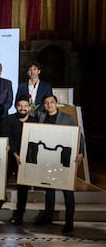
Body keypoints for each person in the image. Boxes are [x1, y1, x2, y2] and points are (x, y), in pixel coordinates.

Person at [34, 94, 84, 233]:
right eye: (46, 103)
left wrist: (80, 153)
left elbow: (78, 135)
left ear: (56, 103)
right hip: (48, 157)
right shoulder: (41, 116)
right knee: (49, 189)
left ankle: (69, 222)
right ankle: (48, 216)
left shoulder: (67, 118)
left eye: (51, 102)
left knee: (67, 190)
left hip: (64, 158)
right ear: (43, 105)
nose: (49, 105)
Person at [0, 97, 37, 225]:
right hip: (10, 156)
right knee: (1, 180)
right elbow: (6, 138)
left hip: (26, 159)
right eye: (20, 105)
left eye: (25, 105)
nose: (23, 108)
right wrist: (15, 154)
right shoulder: (8, 120)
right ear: (16, 107)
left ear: (29, 108)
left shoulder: (34, 121)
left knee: (23, 188)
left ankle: (19, 214)